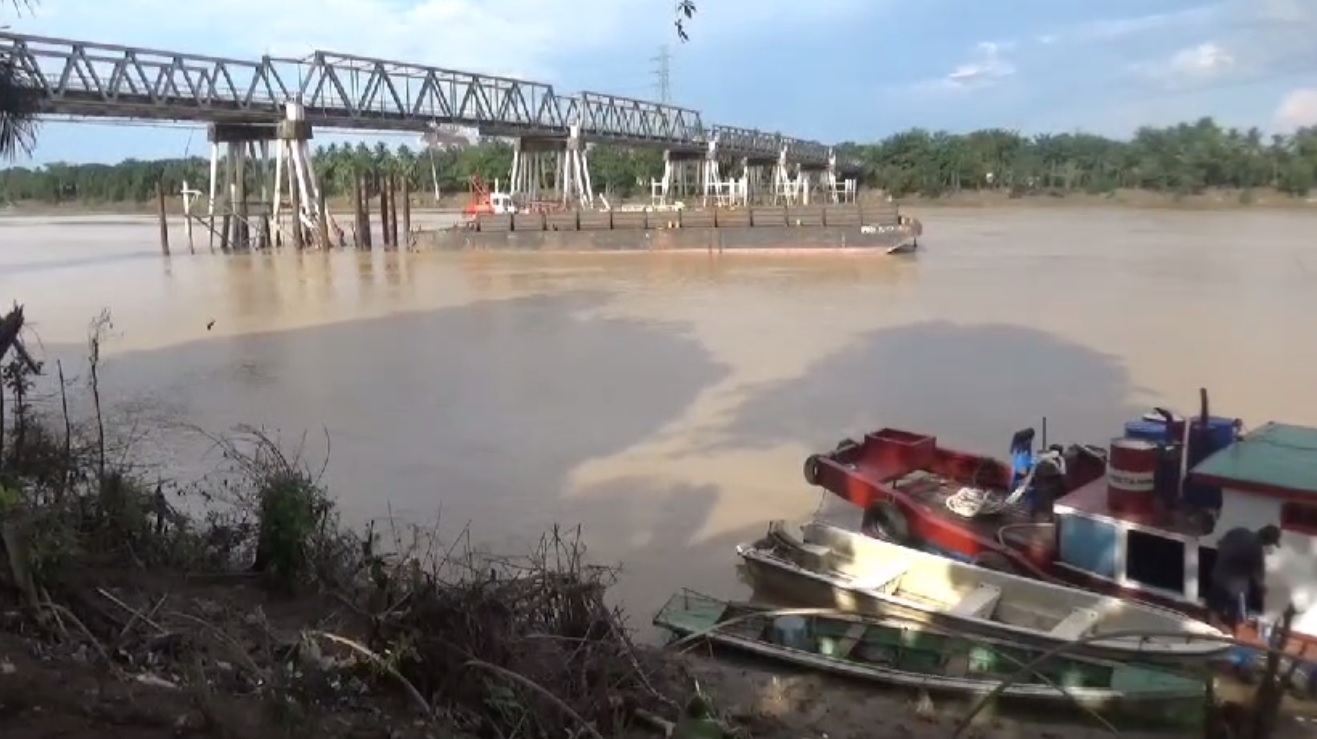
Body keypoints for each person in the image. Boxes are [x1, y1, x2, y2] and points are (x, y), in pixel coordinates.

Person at [1208, 525, 1281, 632]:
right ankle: (1235, 634)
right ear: (1267, 540)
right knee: (1240, 613)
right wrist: (1265, 591)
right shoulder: (1256, 549)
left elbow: (1219, 543)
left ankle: (1213, 624)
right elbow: (1257, 576)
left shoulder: (1239, 531)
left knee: (1215, 605)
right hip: (1235, 586)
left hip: (1218, 574)